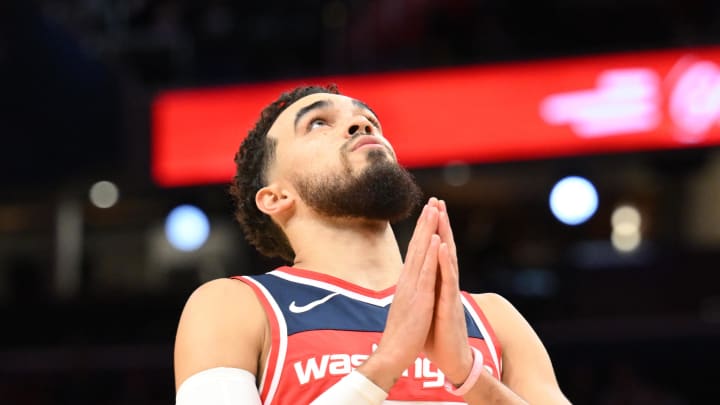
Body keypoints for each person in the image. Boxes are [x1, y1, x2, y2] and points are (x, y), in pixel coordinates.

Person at [173, 84, 572, 404]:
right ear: (275, 197)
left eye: (368, 120)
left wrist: (468, 376)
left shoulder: (492, 317)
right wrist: (386, 363)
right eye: (317, 123)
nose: (361, 126)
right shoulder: (234, 307)